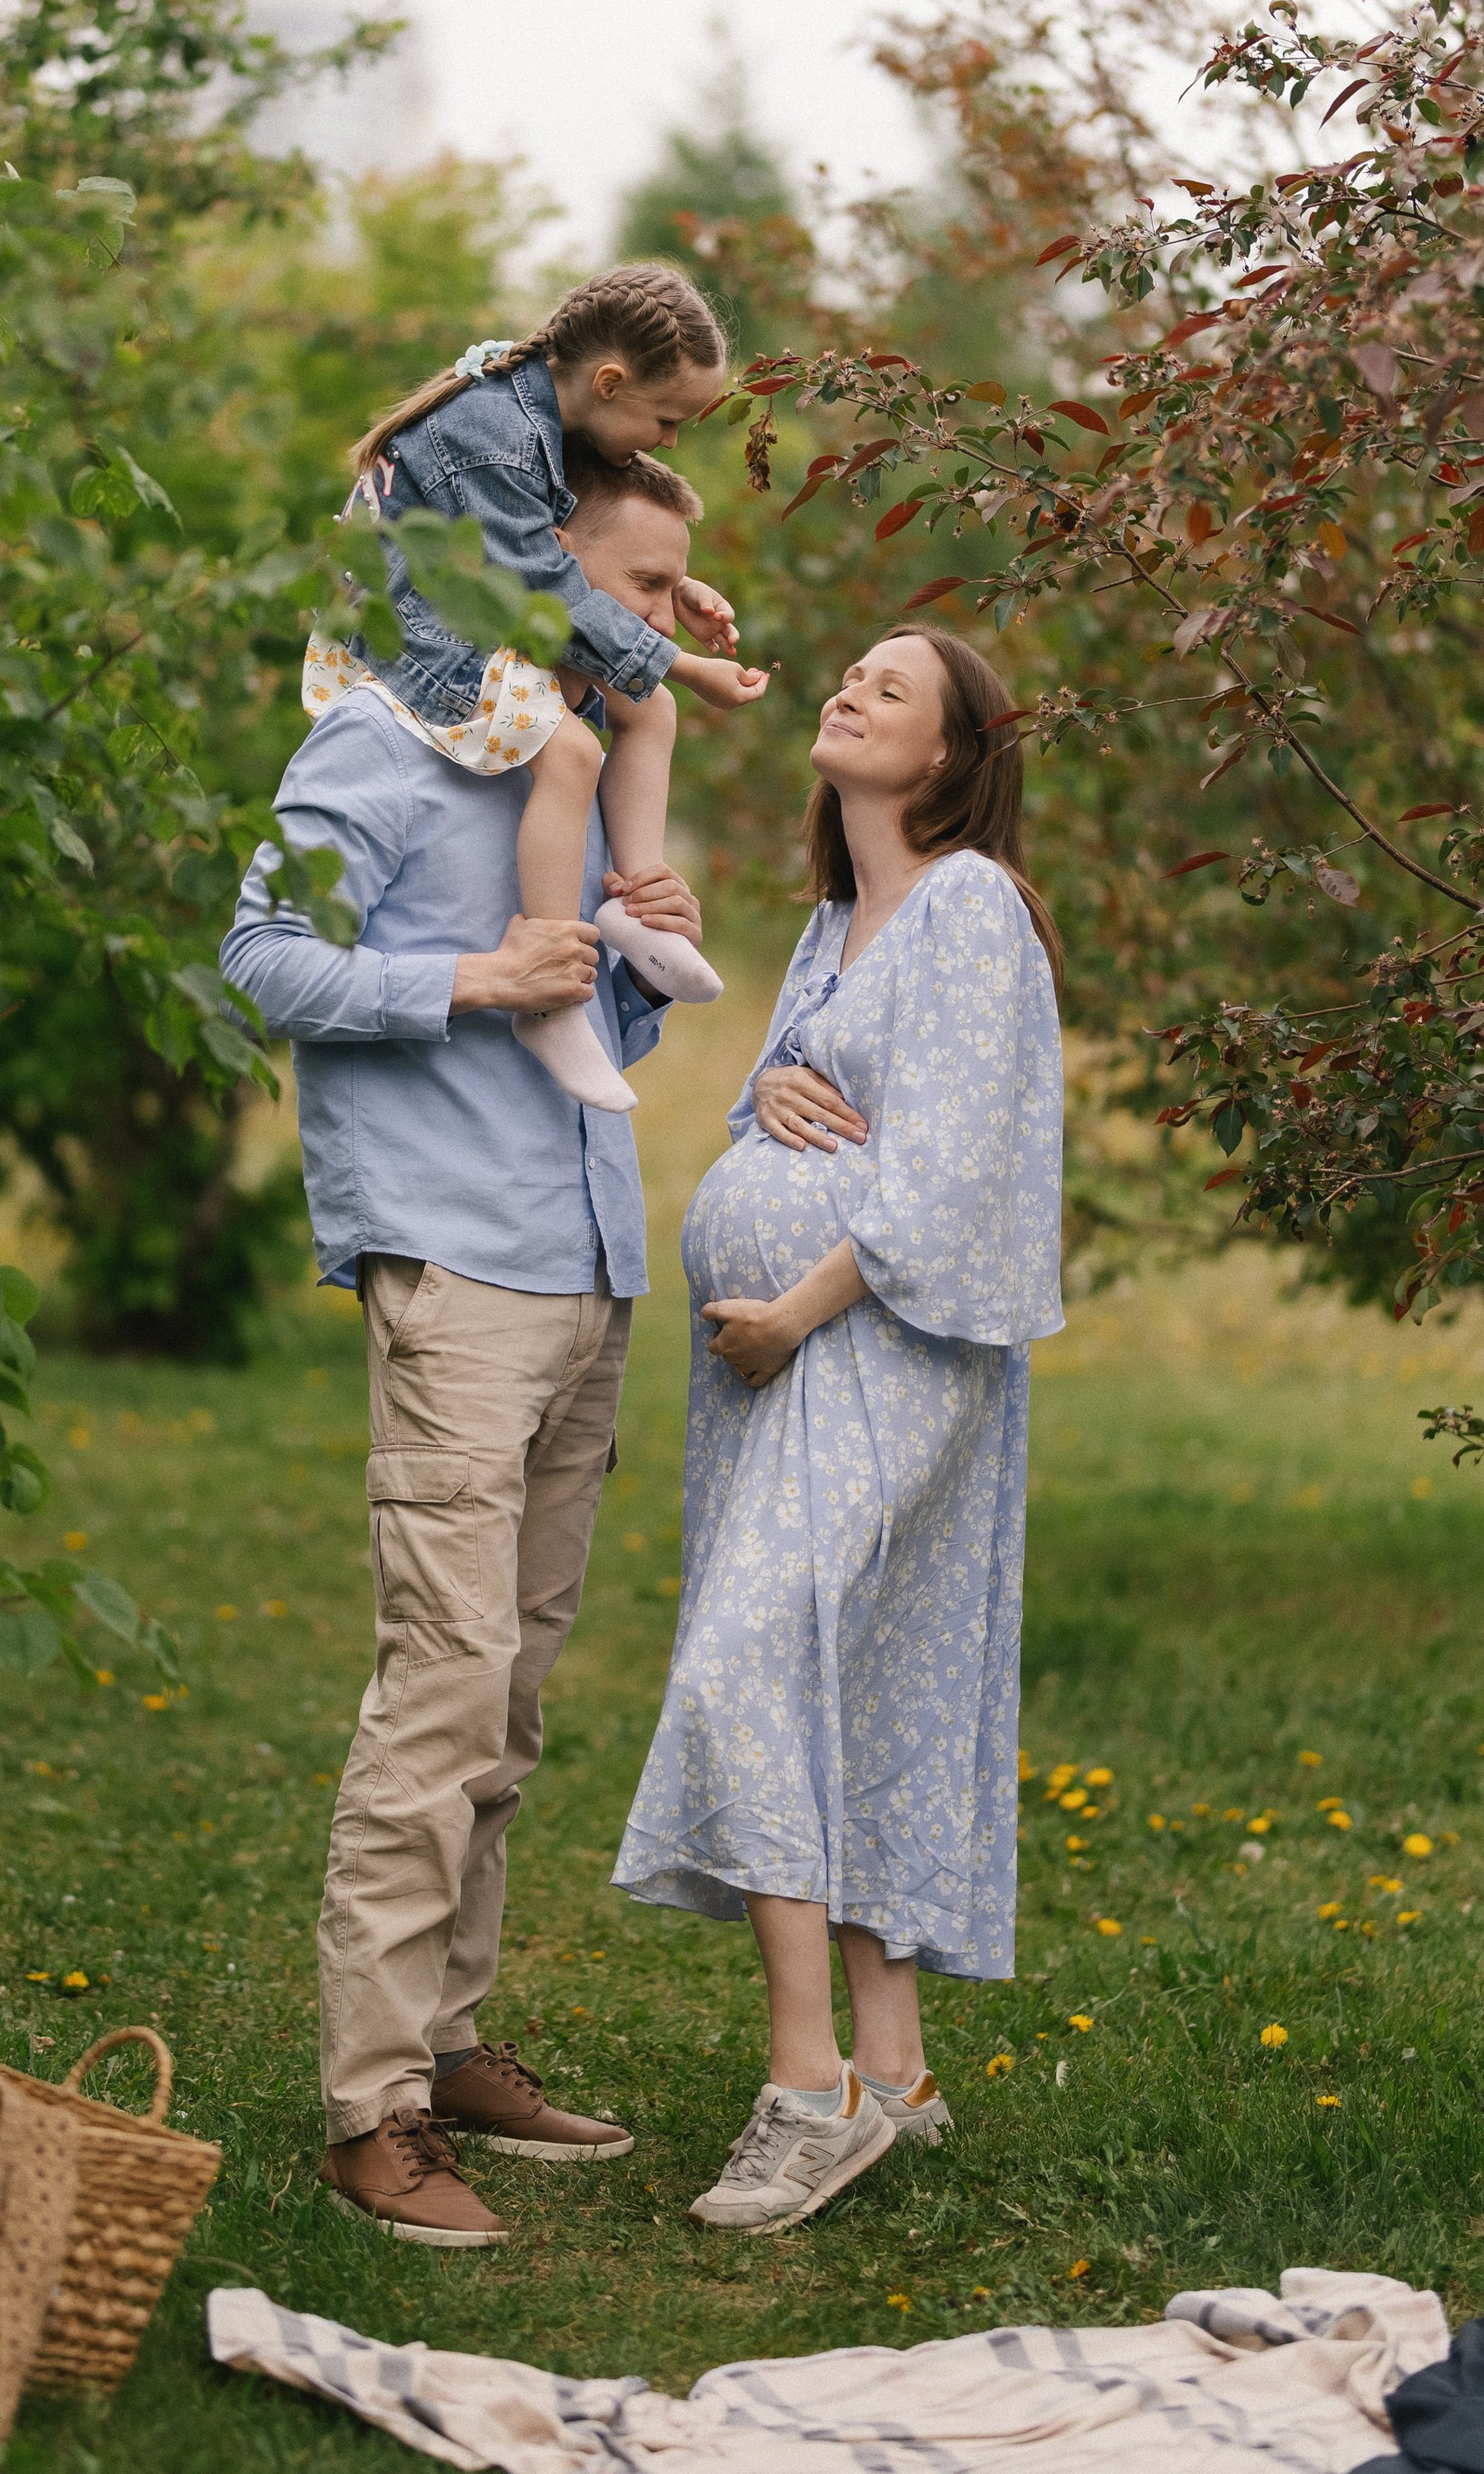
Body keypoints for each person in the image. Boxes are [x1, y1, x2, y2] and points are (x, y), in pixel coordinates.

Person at [221, 447, 721, 2251]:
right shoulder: (381, 740)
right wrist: (457, 981)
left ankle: (446, 2045)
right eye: (643, 588)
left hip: (585, 1263)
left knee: (507, 1695)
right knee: (437, 1688)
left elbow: (580, 1046)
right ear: (546, 567)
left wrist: (624, 959)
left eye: (675, 596)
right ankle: (367, 2114)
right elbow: (257, 955)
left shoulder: (575, 775)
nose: (661, 628)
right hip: (458, 1270)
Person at [612, 624, 1065, 2235]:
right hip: (783, 1367)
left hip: (879, 1345)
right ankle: (895, 2068)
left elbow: (954, 1169)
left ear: (946, 756)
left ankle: (808, 2093)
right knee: (850, 1676)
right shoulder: (835, 922)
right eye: (851, 675)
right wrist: (766, 1104)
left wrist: (794, 1308)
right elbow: (804, 1109)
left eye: (893, 686)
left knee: (748, 1659)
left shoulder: (966, 909)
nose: (851, 692)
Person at [313, 261, 768, 1113]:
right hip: (408, 635)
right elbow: (547, 587)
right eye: (668, 419)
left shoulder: (538, 415)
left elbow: (577, 550)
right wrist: (686, 661)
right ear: (609, 381)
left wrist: (672, 594)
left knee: (647, 704)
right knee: (568, 746)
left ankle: (633, 901)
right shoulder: (490, 427)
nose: (671, 441)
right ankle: (554, 993)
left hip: (467, 609)